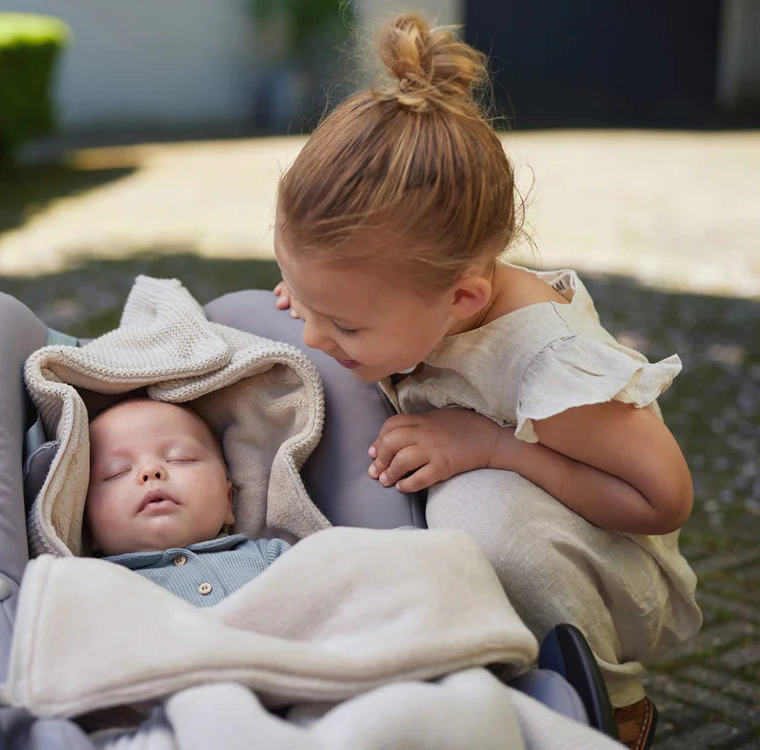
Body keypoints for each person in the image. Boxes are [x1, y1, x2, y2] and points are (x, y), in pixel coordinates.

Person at [269, 13, 700, 750]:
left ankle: (610, 702)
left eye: (343, 324)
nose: (314, 335)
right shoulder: (404, 289)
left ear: (462, 299)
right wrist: (319, 301)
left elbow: (663, 500)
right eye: (305, 299)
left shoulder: (545, 366)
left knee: (481, 517)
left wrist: (495, 447)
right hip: (512, 498)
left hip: (601, 573)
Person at [83, 397, 289, 607]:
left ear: (228, 500)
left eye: (180, 458)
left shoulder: (272, 558)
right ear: (88, 527)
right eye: (117, 472)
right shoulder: (87, 590)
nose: (150, 471)